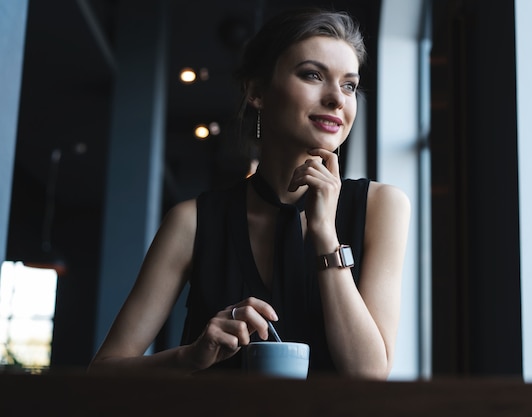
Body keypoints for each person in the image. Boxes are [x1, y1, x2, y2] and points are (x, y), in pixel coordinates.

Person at [89, 7, 410, 380]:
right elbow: (102, 373)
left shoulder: (383, 206)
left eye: (349, 85)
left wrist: (325, 234)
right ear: (257, 91)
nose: (337, 99)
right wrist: (190, 358)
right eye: (312, 75)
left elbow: (369, 375)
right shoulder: (193, 222)